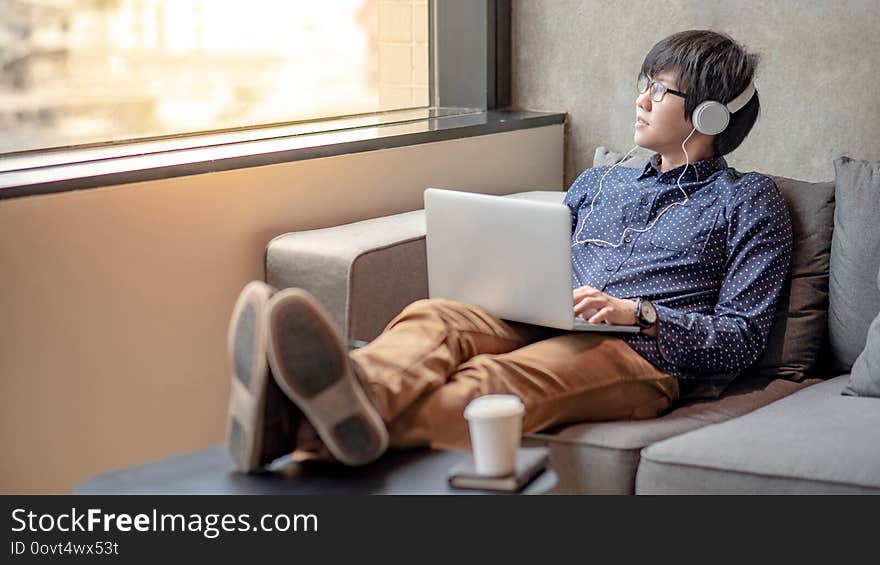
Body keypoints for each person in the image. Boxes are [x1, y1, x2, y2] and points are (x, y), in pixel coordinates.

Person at [226, 29, 793, 472]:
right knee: (436, 317)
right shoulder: (603, 182)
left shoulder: (748, 200)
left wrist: (638, 315)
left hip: (640, 355)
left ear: (709, 115)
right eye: (644, 81)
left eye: (661, 89)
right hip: (542, 317)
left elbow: (742, 337)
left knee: (492, 384)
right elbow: (534, 251)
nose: (641, 98)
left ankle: (291, 428)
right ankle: (349, 392)